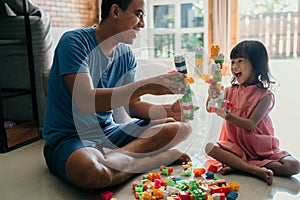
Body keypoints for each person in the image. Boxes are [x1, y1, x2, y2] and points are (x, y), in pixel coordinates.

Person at [43, 0, 194, 189]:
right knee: (93, 173)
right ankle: (150, 161)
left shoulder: (126, 55)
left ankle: (114, 160)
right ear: (115, 11)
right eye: (138, 14)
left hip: (109, 133)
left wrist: (167, 110)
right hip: (70, 138)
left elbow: (132, 106)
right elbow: (86, 101)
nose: (142, 24)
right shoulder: (74, 42)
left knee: (181, 127)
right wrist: (146, 85)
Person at [205, 40, 299, 185]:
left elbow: (250, 125)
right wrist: (211, 94)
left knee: (293, 165)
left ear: (256, 64)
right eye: (233, 62)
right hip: (235, 147)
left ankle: (239, 166)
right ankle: (253, 170)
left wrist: (228, 116)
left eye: (240, 61)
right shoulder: (229, 91)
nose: (235, 66)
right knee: (210, 147)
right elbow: (210, 108)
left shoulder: (265, 95)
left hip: (260, 149)